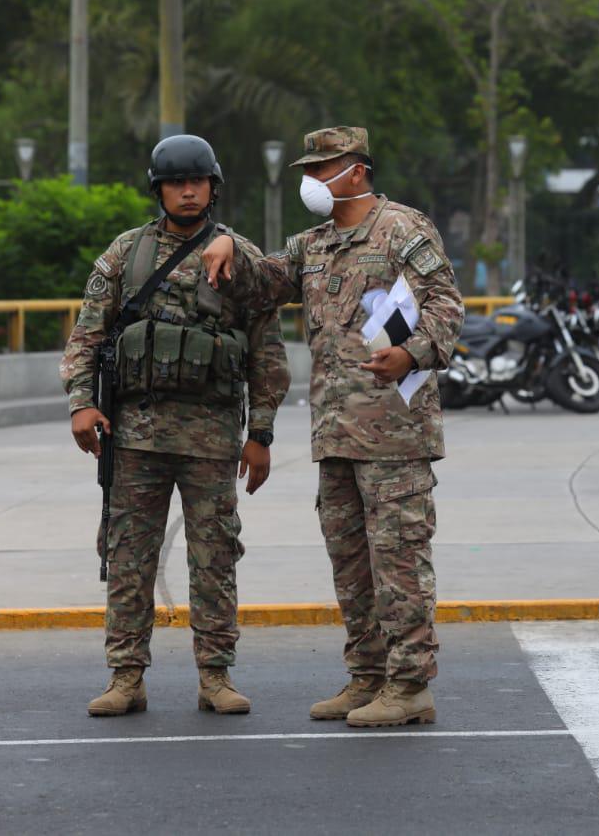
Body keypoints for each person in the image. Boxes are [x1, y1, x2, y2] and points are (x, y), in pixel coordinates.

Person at [203, 126, 464, 727]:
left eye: (327, 166)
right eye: (310, 167)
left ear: (359, 170)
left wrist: (415, 352)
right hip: (336, 432)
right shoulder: (314, 244)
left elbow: (446, 302)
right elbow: (266, 279)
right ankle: (367, 676)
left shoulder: (403, 229)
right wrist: (226, 246)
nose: (314, 179)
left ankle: (410, 685)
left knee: (399, 562)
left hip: (396, 434)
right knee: (350, 562)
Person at [61, 134, 290, 717]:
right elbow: (87, 335)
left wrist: (260, 434)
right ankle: (125, 676)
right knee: (128, 556)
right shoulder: (126, 253)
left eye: (198, 181)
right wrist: (81, 403)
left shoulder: (241, 256)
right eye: (175, 182)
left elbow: (266, 352)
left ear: (213, 186)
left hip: (212, 438)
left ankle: (215, 675)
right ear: (158, 188)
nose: (187, 191)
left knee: (214, 557)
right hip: (134, 435)